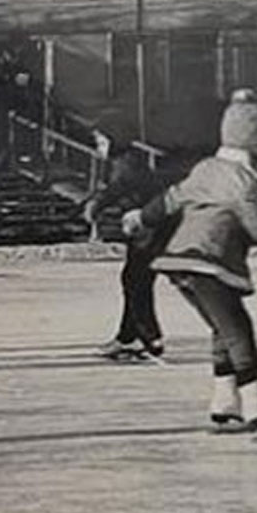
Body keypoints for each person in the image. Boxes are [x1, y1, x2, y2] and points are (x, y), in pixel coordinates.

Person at [123, 89, 257, 435]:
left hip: (180, 261)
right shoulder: (244, 181)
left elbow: (171, 199)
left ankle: (225, 401)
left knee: (222, 329)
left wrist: (141, 218)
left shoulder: (205, 169)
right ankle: (256, 403)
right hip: (209, 262)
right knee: (238, 330)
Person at [84, 148, 174, 360]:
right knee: (134, 281)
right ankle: (128, 337)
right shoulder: (132, 163)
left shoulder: (127, 161)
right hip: (148, 234)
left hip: (151, 234)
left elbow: (120, 185)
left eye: (100, 139)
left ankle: (150, 338)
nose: (98, 145)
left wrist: (96, 205)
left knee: (136, 282)